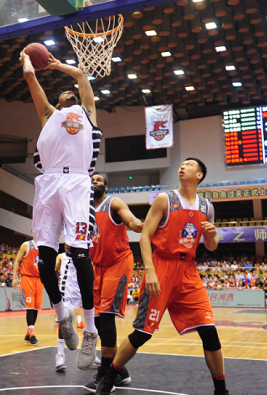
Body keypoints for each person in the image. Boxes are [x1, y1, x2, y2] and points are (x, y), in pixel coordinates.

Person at [96, 158, 226, 395]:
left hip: (188, 272)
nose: (183, 166)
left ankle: (221, 390)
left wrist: (210, 235)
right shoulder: (165, 199)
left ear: (199, 175)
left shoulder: (207, 207)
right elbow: (145, 236)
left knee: (209, 331)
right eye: (182, 163)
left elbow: (211, 245)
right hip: (161, 266)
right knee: (142, 333)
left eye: (189, 164)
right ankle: (109, 376)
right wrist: (150, 271)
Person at [21, 48, 102, 368]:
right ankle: (61, 315)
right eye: (64, 94)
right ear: (57, 103)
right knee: (44, 258)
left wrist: (56, 65)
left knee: (80, 254)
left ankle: (91, 330)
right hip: (49, 182)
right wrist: (27, 58)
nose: (70, 93)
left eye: (73, 93)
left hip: (78, 182)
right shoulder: (48, 115)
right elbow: (30, 76)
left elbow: (81, 76)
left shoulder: (87, 113)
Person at [83, 174, 143, 391]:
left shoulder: (113, 203)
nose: (94, 182)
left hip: (117, 263)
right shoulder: (85, 209)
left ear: (106, 187)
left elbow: (130, 219)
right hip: (97, 266)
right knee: (97, 319)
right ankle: (121, 372)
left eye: (99, 180)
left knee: (107, 317)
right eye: (92, 180)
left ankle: (105, 375)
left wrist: (137, 225)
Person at [54, 249, 84, 372]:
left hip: (79, 289)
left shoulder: (83, 254)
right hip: (65, 290)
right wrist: (57, 266)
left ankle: (90, 352)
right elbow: (55, 266)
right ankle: (60, 354)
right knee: (63, 319)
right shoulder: (61, 256)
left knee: (93, 320)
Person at [12, 240, 43, 346]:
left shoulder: (44, 246)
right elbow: (17, 261)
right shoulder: (26, 245)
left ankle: (28, 334)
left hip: (39, 279)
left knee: (36, 308)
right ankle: (32, 334)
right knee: (29, 306)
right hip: (28, 278)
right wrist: (14, 278)